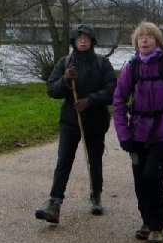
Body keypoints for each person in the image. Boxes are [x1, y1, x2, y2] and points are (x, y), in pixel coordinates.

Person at [112, 22, 163, 243]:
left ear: (157, 40)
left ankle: (157, 226)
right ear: (136, 42)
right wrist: (123, 134)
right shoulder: (131, 68)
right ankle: (147, 220)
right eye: (140, 37)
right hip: (137, 133)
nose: (144, 40)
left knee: (152, 177)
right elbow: (118, 101)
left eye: (149, 36)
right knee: (140, 180)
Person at [35, 25, 116, 224]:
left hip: (96, 120)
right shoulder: (65, 63)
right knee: (64, 160)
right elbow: (51, 90)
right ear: (73, 41)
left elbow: (113, 89)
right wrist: (64, 81)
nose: (83, 40)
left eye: (87, 38)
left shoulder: (102, 63)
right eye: (79, 38)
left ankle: (95, 195)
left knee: (94, 159)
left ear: (93, 41)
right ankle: (54, 203)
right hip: (70, 121)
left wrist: (91, 100)